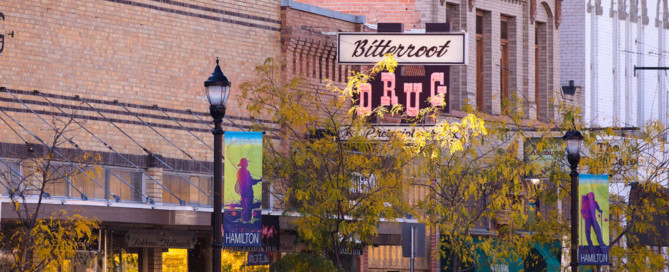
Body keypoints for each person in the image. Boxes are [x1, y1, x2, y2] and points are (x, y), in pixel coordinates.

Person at [235, 158, 262, 222]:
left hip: (243, 192)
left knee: (245, 207)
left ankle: (245, 220)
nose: (247, 164)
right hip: (248, 192)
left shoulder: (239, 172)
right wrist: (259, 180)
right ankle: (247, 221)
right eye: (246, 163)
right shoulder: (245, 172)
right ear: (244, 164)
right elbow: (250, 181)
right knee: (248, 207)